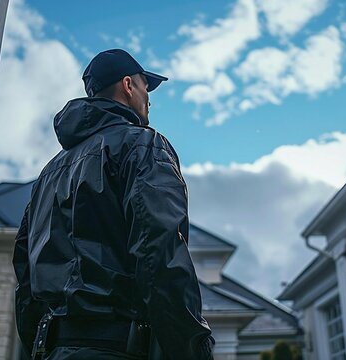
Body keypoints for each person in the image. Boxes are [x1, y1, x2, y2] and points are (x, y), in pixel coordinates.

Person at [13, 49, 214, 359]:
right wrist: (191, 349)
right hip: (119, 348)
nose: (149, 98)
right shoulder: (143, 145)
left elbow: (25, 273)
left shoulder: (49, 173)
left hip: (55, 349)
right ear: (128, 85)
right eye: (146, 86)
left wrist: (38, 347)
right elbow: (158, 252)